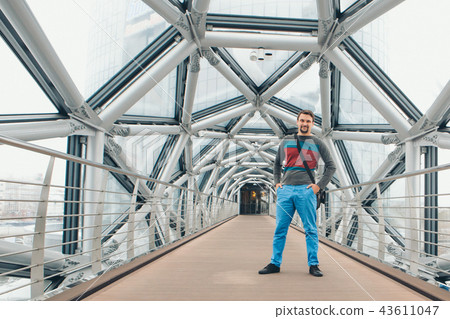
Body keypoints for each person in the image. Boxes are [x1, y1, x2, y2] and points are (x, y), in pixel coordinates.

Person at [259, 109, 336, 277]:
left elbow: (331, 166)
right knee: (280, 228)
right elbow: (277, 164)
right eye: (302, 120)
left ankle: (313, 265)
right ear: (297, 122)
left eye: (308, 121)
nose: (304, 123)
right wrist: (277, 184)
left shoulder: (318, 142)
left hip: (306, 191)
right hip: (285, 191)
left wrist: (318, 187)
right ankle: (275, 263)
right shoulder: (286, 141)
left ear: (312, 124)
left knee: (310, 229)